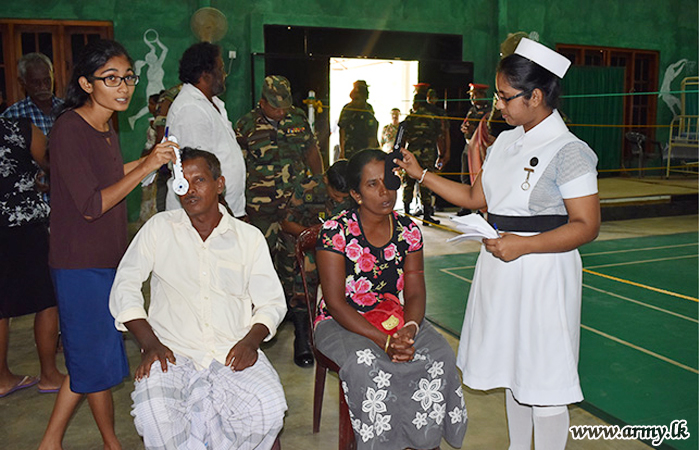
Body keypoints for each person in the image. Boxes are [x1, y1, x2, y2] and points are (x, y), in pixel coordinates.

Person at [395, 38, 601, 450]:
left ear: (536, 96)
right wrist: (420, 175)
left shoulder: (570, 151)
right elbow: (477, 199)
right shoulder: (507, 141)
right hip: (501, 265)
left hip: (543, 269)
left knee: (544, 376)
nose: (498, 105)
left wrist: (523, 246)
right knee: (514, 369)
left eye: (506, 97)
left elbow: (586, 225)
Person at [38, 39, 176, 450]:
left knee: (96, 358)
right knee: (90, 361)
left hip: (107, 260)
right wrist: (148, 165)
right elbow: (92, 204)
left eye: (128, 78)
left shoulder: (105, 126)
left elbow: (114, 175)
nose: (123, 88)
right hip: (80, 265)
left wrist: (154, 157)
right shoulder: (69, 129)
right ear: (86, 83)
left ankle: (110, 441)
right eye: (111, 79)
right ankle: (51, 442)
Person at [109, 148, 287, 450]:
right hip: (172, 353)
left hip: (231, 349)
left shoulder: (248, 238)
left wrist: (250, 342)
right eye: (181, 181)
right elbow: (124, 284)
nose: (189, 189)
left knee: (268, 408)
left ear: (220, 184)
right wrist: (149, 342)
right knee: (155, 415)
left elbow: (271, 302)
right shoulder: (159, 229)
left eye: (199, 180)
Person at [314, 149, 468, 450]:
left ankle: (423, 442)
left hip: (393, 316)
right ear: (356, 194)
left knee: (440, 354)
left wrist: (410, 328)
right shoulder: (335, 232)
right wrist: (384, 342)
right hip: (341, 322)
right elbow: (335, 303)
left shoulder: (408, 230)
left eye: (388, 181)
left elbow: (415, 291)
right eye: (372, 185)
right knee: (367, 364)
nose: (385, 192)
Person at [235, 75, 323, 367]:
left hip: (295, 209)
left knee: (300, 267)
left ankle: (302, 333)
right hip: (260, 212)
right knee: (258, 268)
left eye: (285, 106)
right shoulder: (245, 125)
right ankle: (254, 333)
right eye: (275, 107)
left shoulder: (298, 119)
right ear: (262, 103)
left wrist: (318, 186)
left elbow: (311, 152)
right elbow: (236, 166)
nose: (281, 112)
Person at [0, 117, 64, 397]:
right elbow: (53, 164)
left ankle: (2, 377)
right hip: (25, 226)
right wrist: (40, 180)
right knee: (47, 299)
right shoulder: (19, 128)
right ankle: (49, 374)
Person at [166, 42, 246, 217]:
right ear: (205, 74)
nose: (224, 75)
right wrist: (227, 214)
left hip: (220, 211)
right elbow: (197, 174)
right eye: (221, 69)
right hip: (204, 216)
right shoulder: (190, 109)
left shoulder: (213, 104)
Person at [402, 92, 443, 225]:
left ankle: (406, 215)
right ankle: (427, 216)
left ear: (416, 102)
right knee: (426, 183)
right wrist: (442, 155)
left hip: (411, 155)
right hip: (428, 154)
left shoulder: (410, 119)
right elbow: (439, 138)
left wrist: (400, 157)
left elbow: (402, 139)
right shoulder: (434, 118)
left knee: (408, 184)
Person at [1, 52, 64, 135]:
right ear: (23, 83)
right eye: (36, 83)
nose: (43, 87)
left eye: (47, 81)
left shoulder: (67, 109)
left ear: (53, 78)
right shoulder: (12, 116)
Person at [457, 83, 492, 216]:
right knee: (465, 177)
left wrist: (475, 129)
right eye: (471, 95)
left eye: (474, 94)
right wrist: (465, 128)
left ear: (482, 95)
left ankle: (479, 207)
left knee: (479, 178)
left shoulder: (489, 110)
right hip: (468, 147)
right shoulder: (472, 110)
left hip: (480, 150)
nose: (472, 97)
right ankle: (465, 206)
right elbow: (465, 124)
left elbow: (488, 130)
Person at [338, 80, 379, 159]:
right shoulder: (347, 109)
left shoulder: (368, 109)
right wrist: (342, 151)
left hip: (364, 149)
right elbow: (342, 130)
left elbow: (372, 133)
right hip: (350, 149)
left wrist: (371, 152)